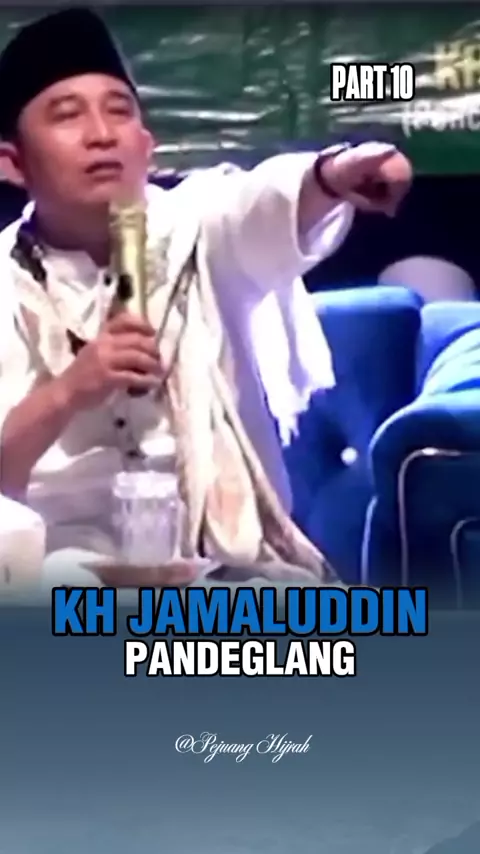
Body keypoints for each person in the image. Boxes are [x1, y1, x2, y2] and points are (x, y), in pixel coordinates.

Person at [0, 8, 412, 588]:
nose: (101, 134)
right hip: (60, 574)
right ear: (12, 162)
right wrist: (71, 389)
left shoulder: (199, 229)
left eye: (119, 111)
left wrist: (335, 174)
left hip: (225, 563)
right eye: (67, 116)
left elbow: (266, 199)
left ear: (147, 146)